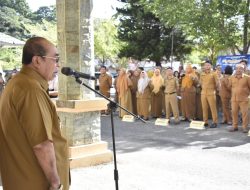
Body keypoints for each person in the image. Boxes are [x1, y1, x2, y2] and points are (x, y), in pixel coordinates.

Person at [0, 37, 69, 190]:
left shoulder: (16, 83)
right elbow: (42, 144)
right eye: (55, 59)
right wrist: (56, 183)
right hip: (37, 182)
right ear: (37, 61)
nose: (57, 65)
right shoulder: (31, 89)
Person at [228, 64, 250, 133]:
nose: (238, 70)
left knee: (245, 114)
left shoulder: (247, 78)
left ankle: (245, 127)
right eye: (237, 68)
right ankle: (235, 126)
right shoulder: (231, 77)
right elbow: (229, 87)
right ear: (235, 69)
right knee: (234, 113)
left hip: (244, 99)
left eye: (240, 68)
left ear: (243, 70)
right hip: (234, 99)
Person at [200, 61, 219, 128]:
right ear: (204, 66)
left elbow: (217, 83)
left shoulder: (214, 74)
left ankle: (215, 122)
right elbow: (201, 83)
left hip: (211, 93)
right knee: (204, 108)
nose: (207, 66)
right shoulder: (202, 74)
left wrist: (214, 89)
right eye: (206, 65)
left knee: (213, 108)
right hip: (203, 93)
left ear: (211, 66)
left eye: (208, 65)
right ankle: (205, 122)